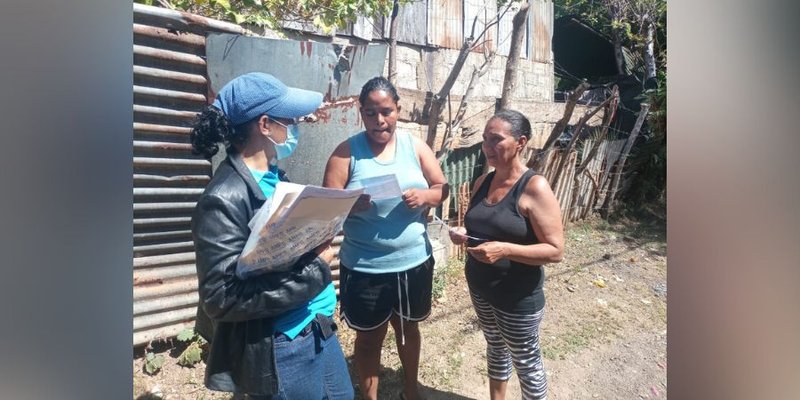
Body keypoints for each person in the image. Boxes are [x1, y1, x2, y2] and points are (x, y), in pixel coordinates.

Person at [189, 72, 354, 400]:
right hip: (283, 343)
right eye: (290, 119)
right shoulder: (222, 198)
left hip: (318, 323)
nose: (296, 127)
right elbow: (221, 298)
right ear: (265, 125)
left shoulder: (275, 178)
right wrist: (318, 269)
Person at [322, 76, 449, 400]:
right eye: (370, 113)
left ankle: (410, 390)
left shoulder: (415, 147)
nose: (379, 120)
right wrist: (349, 204)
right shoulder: (345, 153)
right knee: (368, 339)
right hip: (365, 267)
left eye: (387, 111)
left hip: (412, 262)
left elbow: (441, 187)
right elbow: (324, 211)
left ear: (399, 111)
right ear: (360, 113)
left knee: (408, 331)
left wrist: (424, 196)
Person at [449, 109, 564, 400]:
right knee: (495, 347)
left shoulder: (534, 187)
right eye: (485, 139)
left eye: (496, 140)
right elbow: (481, 224)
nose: (487, 147)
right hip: (480, 287)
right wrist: (462, 232)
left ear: (520, 142)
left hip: (518, 296)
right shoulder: (483, 182)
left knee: (526, 361)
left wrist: (505, 250)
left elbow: (555, 250)